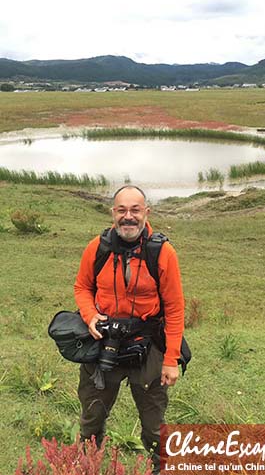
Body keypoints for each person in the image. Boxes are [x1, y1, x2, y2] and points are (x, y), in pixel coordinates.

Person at [74, 185, 185, 473]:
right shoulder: (97, 248)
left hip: (148, 346)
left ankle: (159, 467)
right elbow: (82, 287)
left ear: (147, 212)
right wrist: (89, 315)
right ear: (113, 213)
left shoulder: (162, 252)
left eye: (135, 210)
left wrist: (171, 360)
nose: (128, 217)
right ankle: (88, 464)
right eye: (122, 210)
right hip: (104, 344)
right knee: (92, 416)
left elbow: (174, 308)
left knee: (153, 423)